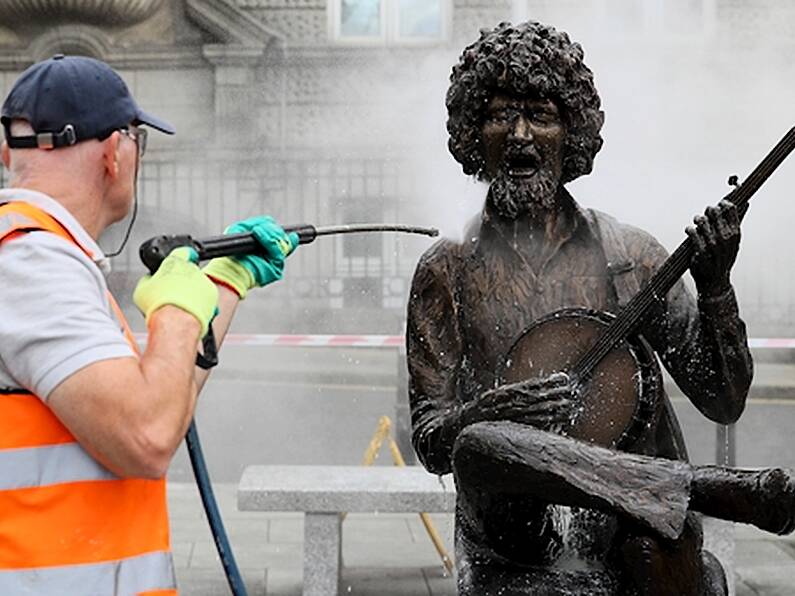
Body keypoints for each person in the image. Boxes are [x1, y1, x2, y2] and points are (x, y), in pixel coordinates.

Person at [406, 21, 795, 595]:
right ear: (472, 131)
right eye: (499, 114)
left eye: (540, 114)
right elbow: (434, 441)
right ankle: (696, 487)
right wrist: (491, 410)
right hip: (515, 542)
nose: (520, 135)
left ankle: (665, 496)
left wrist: (717, 287)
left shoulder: (631, 257)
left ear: (571, 132)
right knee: (477, 443)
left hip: (635, 540)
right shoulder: (447, 271)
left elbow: (724, 399)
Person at [0, 55, 297, 594]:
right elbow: (148, 436)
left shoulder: (46, 257)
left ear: (7, 151)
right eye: (138, 139)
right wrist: (179, 309)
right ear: (115, 153)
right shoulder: (28, 262)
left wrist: (226, 283)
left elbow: (161, 403)